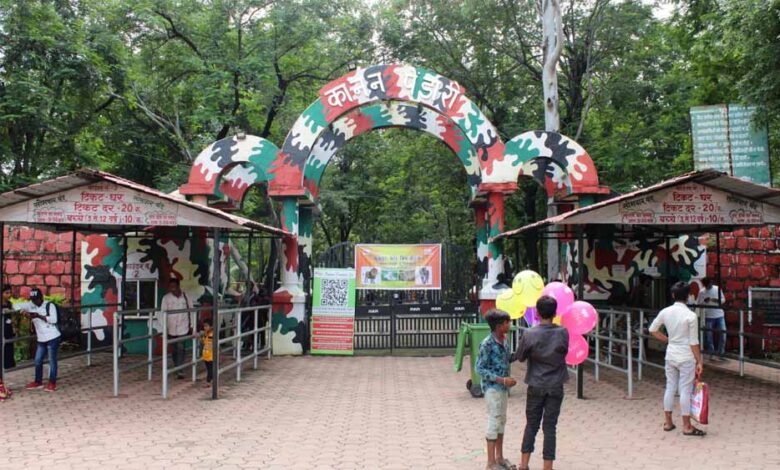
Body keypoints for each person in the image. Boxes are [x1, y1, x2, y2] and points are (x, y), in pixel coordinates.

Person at [512, 295, 569, 470]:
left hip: (536, 383)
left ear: (536, 313)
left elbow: (520, 357)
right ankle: (547, 467)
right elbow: (564, 352)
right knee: (550, 427)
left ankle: (524, 465)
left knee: (531, 425)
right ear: (555, 313)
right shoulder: (563, 332)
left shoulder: (529, 334)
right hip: (556, 384)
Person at [649, 281, 706, 437]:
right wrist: (699, 361)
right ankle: (687, 426)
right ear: (688, 296)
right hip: (686, 357)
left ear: (673, 295)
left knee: (670, 387)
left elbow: (652, 329)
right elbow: (693, 342)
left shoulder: (665, 312)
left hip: (671, 355)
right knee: (685, 391)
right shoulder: (691, 316)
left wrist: (667, 340)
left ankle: (668, 422)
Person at [475, 309, 517, 470]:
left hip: (503, 388)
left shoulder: (505, 340)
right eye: (507, 322)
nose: (509, 325)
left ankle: (499, 457)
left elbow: (506, 359)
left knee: (501, 421)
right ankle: (490, 462)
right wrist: (502, 380)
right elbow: (480, 369)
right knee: (494, 420)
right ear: (499, 326)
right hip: (493, 388)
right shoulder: (487, 344)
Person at [16, 287, 61, 392]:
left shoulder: (49, 305)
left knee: (52, 360)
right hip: (41, 338)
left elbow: (54, 319)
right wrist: (26, 314)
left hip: (52, 336)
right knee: (38, 360)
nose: (35, 302)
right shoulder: (31, 306)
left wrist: (38, 316)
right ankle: (38, 381)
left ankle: (52, 383)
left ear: (41, 298)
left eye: (37, 299)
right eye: (33, 300)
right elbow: (17, 306)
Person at [160, 278, 191, 380]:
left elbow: (192, 310)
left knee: (181, 347)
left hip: (183, 326)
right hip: (171, 327)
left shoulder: (186, 297)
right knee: (175, 349)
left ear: (178, 286)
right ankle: (177, 366)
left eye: (174, 286)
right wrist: (164, 328)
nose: (172, 289)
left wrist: (192, 326)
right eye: (171, 287)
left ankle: (180, 369)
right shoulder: (166, 298)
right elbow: (162, 313)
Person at [696, 277, 726, 359]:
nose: (708, 286)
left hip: (719, 314)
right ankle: (711, 353)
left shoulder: (717, 289)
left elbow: (723, 299)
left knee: (723, 333)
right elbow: (698, 303)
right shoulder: (702, 292)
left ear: (711, 283)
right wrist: (704, 301)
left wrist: (717, 300)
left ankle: (721, 353)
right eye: (706, 285)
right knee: (709, 336)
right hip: (708, 315)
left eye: (708, 284)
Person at [1, 285, 15, 401]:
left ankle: (3, 385)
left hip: (8, 332)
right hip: (2, 333)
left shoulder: (10, 304)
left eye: (10, 292)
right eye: (6, 293)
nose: (9, 295)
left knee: (6, 359)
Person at [197, 319, 214, 388]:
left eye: (206, 326)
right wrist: (199, 337)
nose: (205, 328)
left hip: (211, 354)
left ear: (211, 326)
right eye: (204, 326)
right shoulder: (206, 334)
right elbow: (203, 342)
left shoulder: (212, 334)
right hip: (206, 354)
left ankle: (208, 382)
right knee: (209, 369)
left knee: (210, 369)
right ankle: (211, 380)